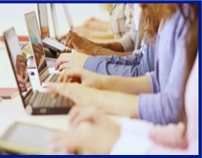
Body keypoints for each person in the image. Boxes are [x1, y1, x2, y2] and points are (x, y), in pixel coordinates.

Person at [48, 4, 198, 154]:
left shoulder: (184, 14)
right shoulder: (169, 12)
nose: (132, 7)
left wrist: (116, 142)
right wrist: (121, 131)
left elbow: (173, 110)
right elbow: (158, 79)